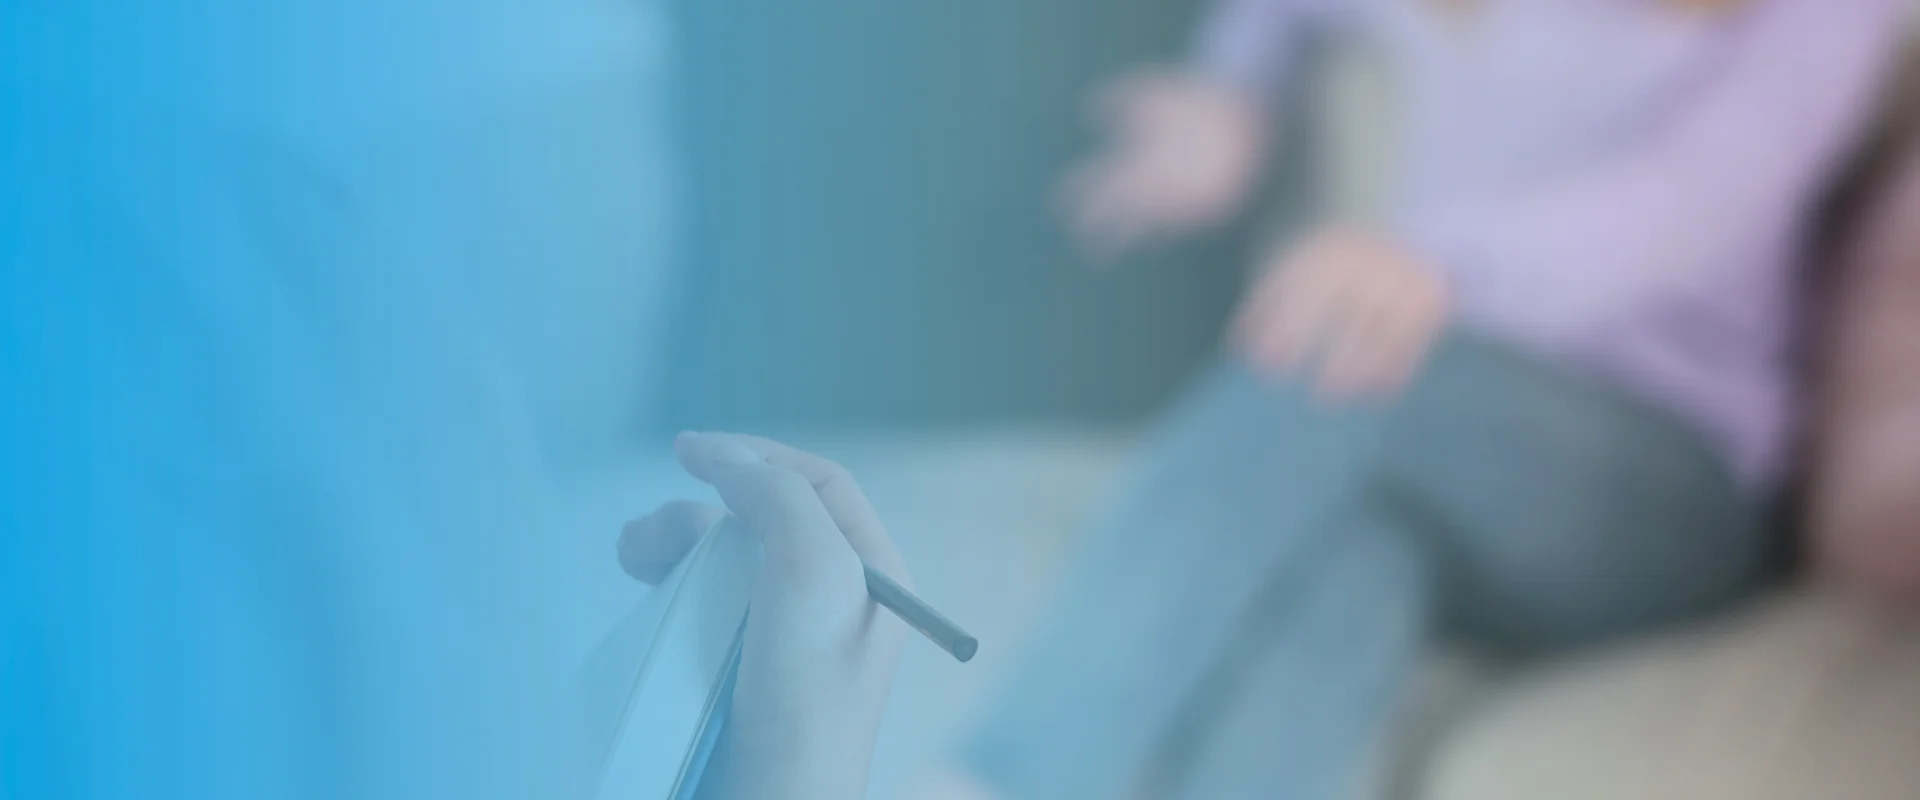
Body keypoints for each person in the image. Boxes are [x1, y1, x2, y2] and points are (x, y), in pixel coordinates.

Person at [915, 1, 1905, 798]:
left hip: (1668, 493)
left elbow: (1693, 196)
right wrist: (1235, 95)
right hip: (1437, 456)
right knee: (1357, 556)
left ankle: (1002, 778)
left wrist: (1433, 263)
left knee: (1328, 361)